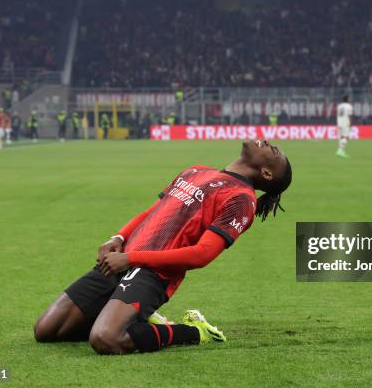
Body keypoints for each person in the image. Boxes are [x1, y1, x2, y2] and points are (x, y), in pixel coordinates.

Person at [33, 139, 293, 355]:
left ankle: (195, 332)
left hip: (153, 274)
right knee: (46, 330)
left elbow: (202, 254)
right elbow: (153, 211)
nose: (269, 144)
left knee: (106, 339)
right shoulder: (195, 170)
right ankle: (134, 318)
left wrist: (131, 258)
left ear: (267, 173)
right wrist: (118, 238)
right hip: (122, 259)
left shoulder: (241, 200)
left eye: (275, 151)